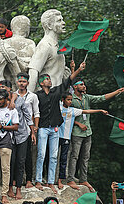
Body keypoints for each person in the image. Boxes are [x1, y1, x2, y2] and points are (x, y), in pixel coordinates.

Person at [35, 62, 86, 194]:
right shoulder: (37, 95)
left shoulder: (55, 92)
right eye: (46, 79)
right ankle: (38, 180)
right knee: (41, 155)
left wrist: (79, 69)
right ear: (41, 83)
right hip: (43, 128)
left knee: (53, 156)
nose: (49, 81)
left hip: (55, 128)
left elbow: (68, 80)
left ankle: (51, 182)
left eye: (50, 79)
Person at [67, 80, 124, 191]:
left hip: (88, 132)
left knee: (85, 157)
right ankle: (70, 178)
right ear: (75, 87)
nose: (84, 86)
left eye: (84, 84)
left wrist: (117, 91)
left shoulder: (86, 97)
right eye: (81, 84)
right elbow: (66, 113)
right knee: (74, 156)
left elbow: (102, 98)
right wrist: (78, 123)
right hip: (76, 132)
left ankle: (83, 179)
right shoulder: (71, 98)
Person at [57, 92, 107, 189]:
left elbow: (86, 111)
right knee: (62, 157)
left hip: (73, 135)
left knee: (79, 157)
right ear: (63, 100)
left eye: (71, 100)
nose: (70, 101)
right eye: (68, 99)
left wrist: (100, 110)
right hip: (60, 135)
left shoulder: (74, 108)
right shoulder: (58, 107)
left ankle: (82, 180)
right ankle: (63, 179)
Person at [28, 9, 70, 91]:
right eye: (59, 21)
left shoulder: (57, 46)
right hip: (46, 96)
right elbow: (33, 71)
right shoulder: (45, 45)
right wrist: (29, 98)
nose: (63, 23)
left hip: (57, 95)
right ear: (49, 26)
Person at [6, 82, 35, 200]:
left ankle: (18, 188)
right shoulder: (1, 103)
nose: (5, 92)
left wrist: (32, 132)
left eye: (7, 90)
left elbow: (28, 116)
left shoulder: (19, 100)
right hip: (9, 136)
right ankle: (9, 188)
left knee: (20, 162)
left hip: (22, 135)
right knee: (10, 162)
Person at [15, 72, 40, 189]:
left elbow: (36, 112)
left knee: (28, 155)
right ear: (17, 82)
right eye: (20, 81)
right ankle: (15, 179)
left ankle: (29, 179)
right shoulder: (13, 95)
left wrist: (35, 128)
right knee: (15, 156)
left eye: (24, 81)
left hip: (29, 129)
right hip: (15, 129)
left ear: (28, 83)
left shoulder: (32, 96)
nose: (22, 83)